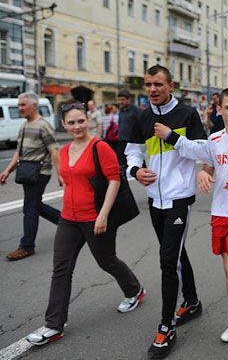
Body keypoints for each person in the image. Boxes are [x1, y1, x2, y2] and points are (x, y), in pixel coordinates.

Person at [154, 88, 228, 346]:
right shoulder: (215, 139)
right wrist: (203, 173)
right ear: (220, 110)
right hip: (220, 212)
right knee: (226, 271)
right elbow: (199, 155)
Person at [25, 102, 144, 346]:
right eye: (72, 122)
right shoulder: (66, 150)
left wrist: (103, 215)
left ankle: (135, 290)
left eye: (81, 120)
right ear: (64, 125)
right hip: (69, 218)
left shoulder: (100, 147)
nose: (77, 126)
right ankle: (54, 325)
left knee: (106, 261)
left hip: (94, 218)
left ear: (88, 120)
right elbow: (67, 181)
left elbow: (114, 181)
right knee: (61, 270)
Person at [126, 65, 205, 358]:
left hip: (179, 198)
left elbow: (203, 151)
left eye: (158, 84)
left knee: (167, 261)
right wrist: (136, 170)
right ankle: (193, 301)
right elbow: (132, 151)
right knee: (175, 253)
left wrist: (173, 137)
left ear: (171, 85)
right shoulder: (142, 117)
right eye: (148, 84)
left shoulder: (187, 115)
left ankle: (166, 326)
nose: (152, 89)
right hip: (154, 200)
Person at [1, 92, 61, 261]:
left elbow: (54, 151)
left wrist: (61, 175)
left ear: (34, 106)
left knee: (30, 208)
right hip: (27, 171)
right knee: (35, 205)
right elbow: (18, 153)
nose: (19, 108)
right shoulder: (24, 126)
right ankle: (68, 223)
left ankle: (26, 246)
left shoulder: (43, 125)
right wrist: (7, 170)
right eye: (19, 105)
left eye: (22, 105)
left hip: (40, 172)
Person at [117, 90, 140, 168]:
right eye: (119, 100)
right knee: (121, 163)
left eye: (122, 99)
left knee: (132, 163)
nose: (120, 102)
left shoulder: (136, 110)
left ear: (129, 99)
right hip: (121, 141)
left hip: (132, 142)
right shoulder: (121, 111)